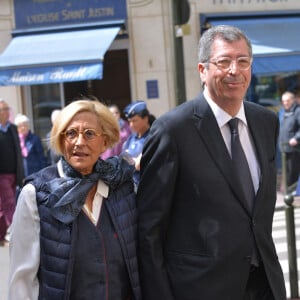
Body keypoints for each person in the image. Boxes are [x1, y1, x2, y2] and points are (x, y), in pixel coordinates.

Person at [137, 25, 286, 300]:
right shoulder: (172, 130)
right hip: (200, 288)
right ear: (202, 70)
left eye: (243, 61)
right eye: (224, 61)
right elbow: (149, 229)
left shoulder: (266, 122)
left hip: (264, 285)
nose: (234, 70)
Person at [9, 99, 141, 300]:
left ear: (105, 142)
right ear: (61, 141)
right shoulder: (35, 194)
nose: (79, 142)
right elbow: (22, 281)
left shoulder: (121, 188)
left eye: (89, 134)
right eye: (71, 133)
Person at [0, 99, 24, 246]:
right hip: (1, 175)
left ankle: (1, 235)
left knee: (3, 206)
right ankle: (17, 234)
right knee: (9, 203)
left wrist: (20, 173)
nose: (7, 111)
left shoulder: (13, 128)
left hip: (14, 173)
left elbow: (18, 152)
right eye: (4, 109)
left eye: (8, 109)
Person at [122, 100, 155, 187]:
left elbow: (139, 165)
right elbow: (121, 160)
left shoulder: (152, 137)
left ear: (145, 118)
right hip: (131, 186)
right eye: (129, 121)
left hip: (147, 186)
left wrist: (129, 159)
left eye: (134, 120)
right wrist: (133, 159)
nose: (131, 125)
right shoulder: (131, 138)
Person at [278, 91, 300, 189]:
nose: (285, 103)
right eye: (283, 101)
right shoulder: (283, 112)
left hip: (294, 149)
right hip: (283, 147)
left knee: (292, 172)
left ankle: (292, 195)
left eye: (287, 101)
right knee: (286, 172)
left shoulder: (297, 111)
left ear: (293, 100)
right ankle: (288, 193)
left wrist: (296, 138)